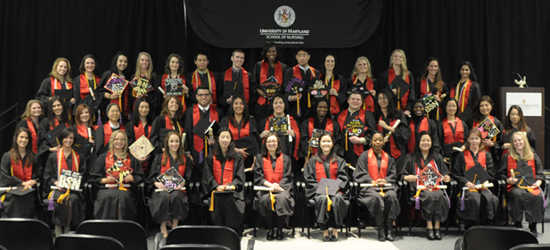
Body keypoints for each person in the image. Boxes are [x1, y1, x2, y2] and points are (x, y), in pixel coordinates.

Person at [401, 132, 451, 240]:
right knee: (429, 196)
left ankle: (437, 227)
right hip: (420, 188)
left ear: (432, 143)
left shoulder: (437, 157)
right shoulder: (411, 157)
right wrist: (408, 177)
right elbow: (402, 175)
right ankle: (429, 226)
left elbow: (445, 174)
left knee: (440, 196)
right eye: (423, 140)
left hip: (436, 187)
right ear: (418, 142)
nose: (425, 143)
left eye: (428, 140)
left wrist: (447, 177)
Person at [354, 132, 400, 241]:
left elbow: (393, 174)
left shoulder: (388, 157)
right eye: (375, 140)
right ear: (371, 142)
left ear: (384, 142)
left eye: (380, 140)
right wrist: (373, 181)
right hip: (369, 187)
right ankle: (380, 229)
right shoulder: (364, 156)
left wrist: (384, 181)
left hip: (386, 186)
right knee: (376, 197)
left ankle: (389, 229)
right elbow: (360, 173)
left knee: (392, 196)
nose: (378, 142)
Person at [303, 133, 349, 242]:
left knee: (337, 198)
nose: (326, 144)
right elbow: (309, 179)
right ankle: (324, 229)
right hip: (318, 191)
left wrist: (335, 187)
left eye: (328, 141)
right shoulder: (312, 161)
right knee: (322, 199)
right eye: (323, 141)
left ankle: (335, 228)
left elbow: (343, 177)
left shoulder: (340, 160)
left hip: (337, 190)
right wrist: (323, 188)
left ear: (333, 144)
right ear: (319, 144)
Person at [89, 130, 144, 220]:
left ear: (126, 142)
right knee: (109, 196)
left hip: (126, 189)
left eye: (122, 139)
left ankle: (122, 228)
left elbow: (140, 177)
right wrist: (106, 180)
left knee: (123, 196)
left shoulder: (131, 158)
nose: (119, 141)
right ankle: (107, 228)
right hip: (107, 189)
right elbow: (93, 178)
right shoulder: (103, 157)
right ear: (112, 141)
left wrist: (132, 178)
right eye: (116, 139)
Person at [147, 131, 192, 238]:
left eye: (177, 141)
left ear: (180, 144)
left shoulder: (186, 159)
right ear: (167, 143)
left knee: (176, 196)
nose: (174, 144)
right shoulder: (158, 158)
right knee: (163, 197)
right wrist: (157, 184)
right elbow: (151, 177)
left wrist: (182, 184)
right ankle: (163, 225)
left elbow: (188, 177)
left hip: (178, 189)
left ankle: (175, 225)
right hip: (161, 189)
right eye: (171, 141)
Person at [201, 128, 245, 235]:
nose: (225, 140)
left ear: (231, 140)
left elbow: (239, 178)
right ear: (218, 139)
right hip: (215, 191)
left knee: (230, 198)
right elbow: (208, 176)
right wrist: (216, 186)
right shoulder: (211, 157)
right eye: (222, 137)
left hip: (232, 191)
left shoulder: (237, 157)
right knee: (219, 197)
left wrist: (229, 186)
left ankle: (231, 231)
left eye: (227, 137)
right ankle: (219, 231)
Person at [498, 132, 544, 234]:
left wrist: (538, 182)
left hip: (531, 185)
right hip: (514, 187)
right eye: (515, 141)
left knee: (537, 196)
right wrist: (507, 180)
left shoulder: (533, 156)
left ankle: (533, 225)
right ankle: (517, 224)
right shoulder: (507, 156)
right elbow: (500, 174)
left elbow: (540, 173)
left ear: (524, 141)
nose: (517, 143)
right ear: (512, 143)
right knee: (518, 195)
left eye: (520, 140)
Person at [452, 129, 498, 229]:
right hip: (468, 186)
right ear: (468, 139)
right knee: (473, 198)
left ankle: (486, 226)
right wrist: (467, 182)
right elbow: (456, 173)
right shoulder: (462, 155)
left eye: (477, 138)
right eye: (472, 139)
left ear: (480, 140)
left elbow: (491, 172)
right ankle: (471, 226)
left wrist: (486, 181)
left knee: (490, 198)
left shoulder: (486, 155)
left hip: (483, 186)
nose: (474, 141)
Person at [43, 128, 86, 235]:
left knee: (72, 199)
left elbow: (83, 174)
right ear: (61, 139)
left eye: (71, 138)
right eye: (66, 137)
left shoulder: (79, 156)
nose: (68, 140)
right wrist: (56, 183)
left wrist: (74, 183)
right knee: (60, 199)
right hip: (57, 188)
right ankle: (58, 228)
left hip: (73, 189)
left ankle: (67, 228)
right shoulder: (53, 156)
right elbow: (48, 175)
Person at [253, 132, 294, 241]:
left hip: (281, 189)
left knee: (282, 198)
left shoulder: (286, 159)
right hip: (265, 189)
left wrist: (277, 186)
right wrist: (270, 185)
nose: (271, 143)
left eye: (274, 141)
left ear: (278, 143)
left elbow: (288, 176)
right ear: (265, 144)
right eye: (269, 141)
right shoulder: (260, 158)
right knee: (266, 199)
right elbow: (258, 177)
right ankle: (270, 229)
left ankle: (279, 229)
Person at [0, 128, 40, 218]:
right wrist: (22, 183)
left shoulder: (34, 157)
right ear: (16, 138)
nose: (23, 140)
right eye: (21, 137)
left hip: (29, 189)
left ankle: (25, 227)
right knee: (16, 198)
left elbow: (38, 174)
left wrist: (31, 182)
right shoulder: (7, 156)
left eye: (26, 138)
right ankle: (14, 226)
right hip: (11, 189)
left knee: (26, 196)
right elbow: (4, 176)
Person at [184, 85, 224, 173]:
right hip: (195, 152)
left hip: (214, 151)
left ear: (210, 96)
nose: (204, 97)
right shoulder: (189, 112)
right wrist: (187, 152)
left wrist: (216, 142)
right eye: (201, 95)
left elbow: (221, 132)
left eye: (206, 95)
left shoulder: (218, 112)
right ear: (196, 97)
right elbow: (186, 131)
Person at [258, 95, 300, 170]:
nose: (278, 105)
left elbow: (300, 142)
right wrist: (261, 136)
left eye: (281, 103)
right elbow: (257, 141)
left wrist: (295, 135)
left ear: (285, 105)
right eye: (275, 103)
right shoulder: (264, 123)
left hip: (288, 156)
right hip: (269, 160)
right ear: (272, 105)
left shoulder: (293, 122)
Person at [335, 91, 376, 167]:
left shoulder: (367, 115)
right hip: (342, 152)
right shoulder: (340, 115)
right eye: (353, 99)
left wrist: (360, 140)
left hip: (361, 151)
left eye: (358, 99)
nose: (355, 101)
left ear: (361, 102)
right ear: (348, 100)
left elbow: (373, 133)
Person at [373, 89, 410, 172]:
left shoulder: (398, 114)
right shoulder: (375, 115)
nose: (382, 101)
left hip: (397, 151)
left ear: (390, 99)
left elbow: (405, 131)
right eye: (380, 98)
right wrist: (380, 140)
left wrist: (387, 127)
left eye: (385, 98)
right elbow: (372, 132)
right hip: (380, 150)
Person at [219, 96, 259, 169]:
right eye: (236, 103)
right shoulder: (225, 121)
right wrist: (236, 150)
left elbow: (255, 142)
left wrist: (255, 161)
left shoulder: (251, 121)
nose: (238, 106)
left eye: (241, 103)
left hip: (248, 159)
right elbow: (220, 140)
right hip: (230, 156)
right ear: (232, 106)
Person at [252, 43, 289, 123]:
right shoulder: (258, 65)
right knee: (261, 125)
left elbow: (286, 86)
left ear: (277, 52)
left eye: (273, 51)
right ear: (265, 53)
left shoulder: (284, 67)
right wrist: (261, 92)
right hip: (262, 103)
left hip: (277, 104)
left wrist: (277, 95)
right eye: (268, 51)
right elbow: (254, 83)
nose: (271, 54)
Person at [283, 47, 320, 123]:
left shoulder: (315, 73)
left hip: (312, 108)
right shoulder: (290, 72)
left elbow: (319, 90)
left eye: (304, 55)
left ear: (309, 56)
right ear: (296, 57)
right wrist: (291, 98)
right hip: (295, 108)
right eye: (299, 55)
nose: (302, 58)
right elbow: (285, 90)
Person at [299, 99, 340, 163]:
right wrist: (307, 159)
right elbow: (304, 142)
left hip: (329, 159)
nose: (322, 109)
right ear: (316, 108)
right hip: (310, 158)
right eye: (320, 107)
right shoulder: (306, 123)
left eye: (325, 107)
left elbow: (337, 142)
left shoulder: (334, 124)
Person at [378, 49, 415, 116]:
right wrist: (389, 91)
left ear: (403, 59)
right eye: (396, 56)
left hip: (405, 111)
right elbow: (380, 93)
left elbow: (412, 94)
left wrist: (408, 109)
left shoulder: (408, 75)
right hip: (389, 110)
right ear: (392, 59)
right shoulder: (384, 75)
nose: (398, 58)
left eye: (400, 57)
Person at [98, 52, 131, 124]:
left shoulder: (127, 77)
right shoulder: (108, 74)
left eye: (125, 61)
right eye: (120, 61)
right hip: (109, 109)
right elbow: (99, 91)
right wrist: (110, 96)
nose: (123, 63)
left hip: (123, 110)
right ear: (116, 62)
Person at [219, 50, 255, 114]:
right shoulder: (223, 75)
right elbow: (219, 95)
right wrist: (226, 101)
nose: (239, 60)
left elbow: (252, 96)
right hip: (228, 111)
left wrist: (251, 113)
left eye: (242, 58)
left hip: (244, 111)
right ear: (232, 58)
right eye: (237, 57)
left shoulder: (249, 76)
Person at [471, 95, 503, 167]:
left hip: (490, 156)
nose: (484, 108)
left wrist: (493, 144)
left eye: (486, 105)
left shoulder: (497, 123)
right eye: (481, 106)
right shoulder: (473, 121)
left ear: (491, 106)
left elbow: (501, 142)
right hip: (474, 155)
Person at [126, 98, 154, 173]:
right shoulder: (130, 125)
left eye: (146, 107)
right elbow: (128, 142)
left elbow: (154, 141)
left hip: (151, 160)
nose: (144, 109)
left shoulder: (153, 125)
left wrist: (149, 155)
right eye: (141, 107)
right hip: (134, 159)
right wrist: (136, 156)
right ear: (137, 108)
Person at [437, 98, 468, 165]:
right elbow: (438, 142)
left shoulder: (463, 123)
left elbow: (467, 139)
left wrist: (465, 146)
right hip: (446, 158)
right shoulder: (440, 125)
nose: (451, 108)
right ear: (445, 108)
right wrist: (442, 157)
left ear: (457, 108)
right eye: (449, 106)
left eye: (454, 106)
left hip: (461, 156)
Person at [129, 52, 160, 116]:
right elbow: (129, 95)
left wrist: (147, 95)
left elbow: (158, 93)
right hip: (136, 107)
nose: (144, 62)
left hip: (150, 108)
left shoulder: (153, 76)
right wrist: (135, 95)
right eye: (142, 60)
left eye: (147, 60)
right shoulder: (134, 77)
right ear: (138, 62)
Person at [73, 54, 101, 123]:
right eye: (87, 63)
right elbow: (76, 97)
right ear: (83, 65)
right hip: (82, 113)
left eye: (92, 63)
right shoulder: (78, 80)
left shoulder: (99, 80)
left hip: (95, 113)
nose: (90, 65)